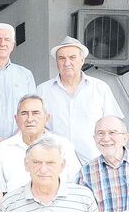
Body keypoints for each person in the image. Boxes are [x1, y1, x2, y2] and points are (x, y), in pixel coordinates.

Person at [38, 36, 124, 164]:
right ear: (57, 62)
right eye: (61, 58)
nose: (67, 63)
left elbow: (114, 125)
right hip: (57, 163)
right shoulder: (42, 90)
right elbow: (36, 127)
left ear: (82, 60)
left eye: (72, 57)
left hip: (95, 162)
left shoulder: (100, 88)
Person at [0, 95, 80, 192]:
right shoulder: (1, 151)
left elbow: (76, 184)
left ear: (47, 118)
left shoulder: (64, 146)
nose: (30, 119)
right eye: (24, 114)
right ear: (16, 119)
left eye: (35, 113)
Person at [76, 116, 129, 212]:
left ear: (125, 138)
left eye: (112, 132)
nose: (106, 138)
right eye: (100, 133)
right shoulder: (86, 173)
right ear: (94, 139)